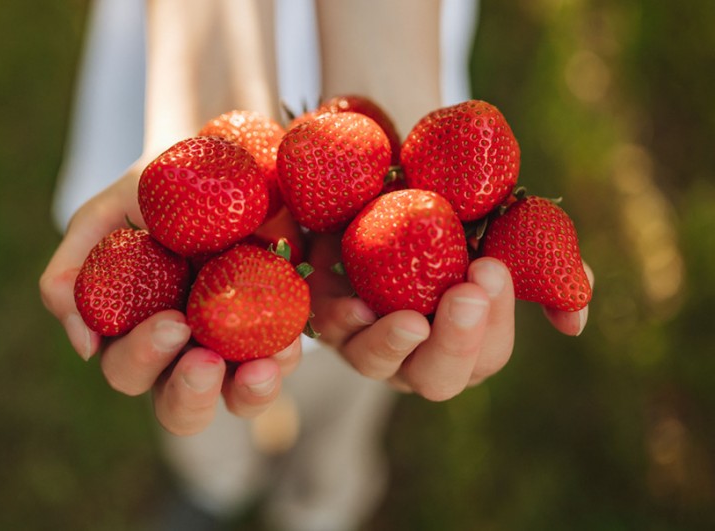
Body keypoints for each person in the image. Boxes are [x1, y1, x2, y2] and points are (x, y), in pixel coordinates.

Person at [40, 0, 593, 529]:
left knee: (367, 349)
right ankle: (216, 483)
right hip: (193, 36)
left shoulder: (415, 198)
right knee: (196, 368)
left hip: (396, 41)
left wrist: (385, 99)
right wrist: (209, 104)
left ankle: (321, 502)